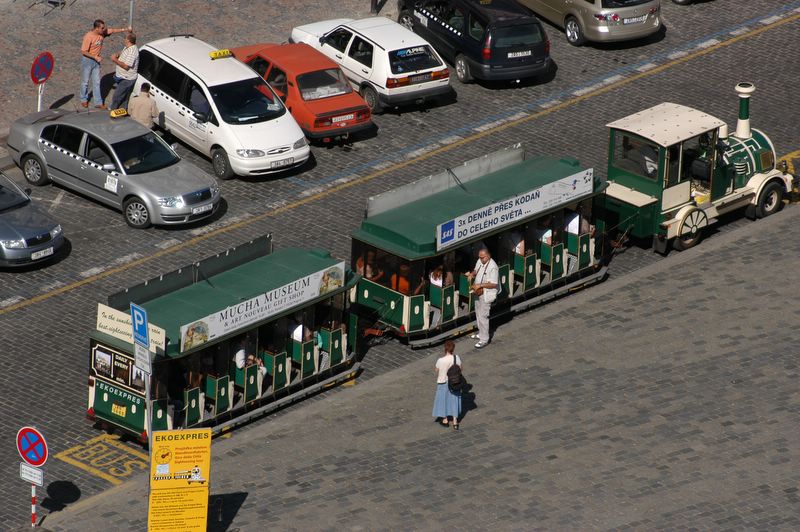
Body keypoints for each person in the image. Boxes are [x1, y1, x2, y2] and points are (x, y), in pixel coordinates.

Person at [80, 19, 131, 109]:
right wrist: (95, 57)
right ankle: (83, 99)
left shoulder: (102, 33)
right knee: (85, 82)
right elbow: (83, 51)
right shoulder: (89, 36)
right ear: (96, 28)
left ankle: (98, 102)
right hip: (88, 61)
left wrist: (125, 29)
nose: (104, 29)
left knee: (97, 82)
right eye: (102, 28)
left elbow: (113, 30)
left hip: (96, 61)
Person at [466, 247, 498, 349]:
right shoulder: (480, 261)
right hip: (477, 292)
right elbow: (476, 270)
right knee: (478, 313)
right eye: (479, 257)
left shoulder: (493, 267)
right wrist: (472, 274)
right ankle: (481, 333)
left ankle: (484, 339)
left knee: (483, 316)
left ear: (488, 256)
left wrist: (480, 285)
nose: (480, 259)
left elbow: (493, 284)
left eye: (482, 257)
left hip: (486, 293)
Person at [432, 340, 462, 430]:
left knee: (443, 401)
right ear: (453, 348)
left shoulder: (440, 360)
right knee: (454, 400)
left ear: (445, 349)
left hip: (443, 383)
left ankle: (445, 420)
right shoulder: (457, 358)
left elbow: (436, 370)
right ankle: (455, 421)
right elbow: (460, 368)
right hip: (455, 382)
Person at [109, 32, 139, 110]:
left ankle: (113, 110)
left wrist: (115, 60)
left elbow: (126, 66)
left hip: (127, 79)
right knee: (123, 96)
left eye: (125, 38)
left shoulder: (132, 52)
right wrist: (118, 55)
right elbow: (123, 54)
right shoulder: (127, 47)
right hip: (122, 76)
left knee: (117, 96)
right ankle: (122, 110)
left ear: (128, 40)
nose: (124, 39)